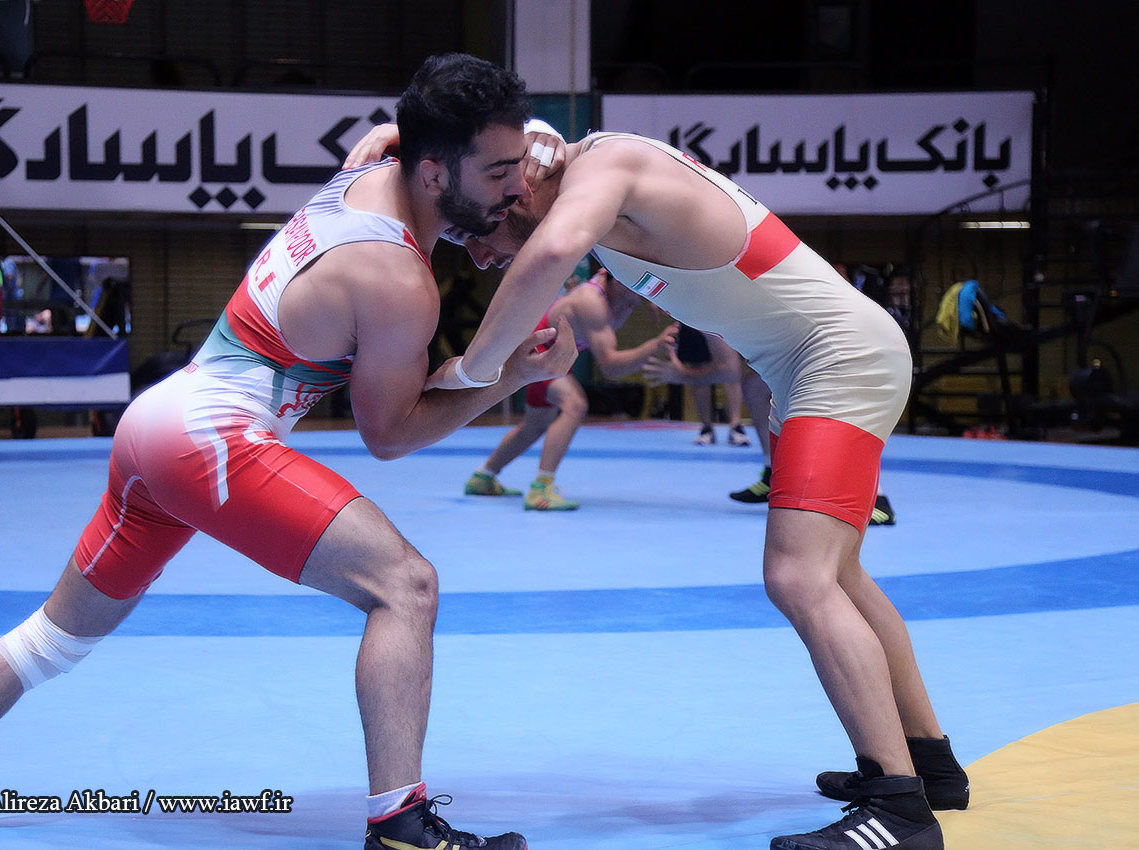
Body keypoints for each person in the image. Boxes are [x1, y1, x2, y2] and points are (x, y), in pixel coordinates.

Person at [0, 54, 575, 850]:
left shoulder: (371, 163)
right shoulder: (398, 280)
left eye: (515, 171)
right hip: (210, 442)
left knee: (53, 638)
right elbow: (390, 435)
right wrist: (508, 377)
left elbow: (405, 133)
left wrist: (529, 144)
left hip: (156, 428)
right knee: (406, 585)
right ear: (433, 172)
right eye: (498, 174)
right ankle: (399, 824)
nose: (513, 192)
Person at [412, 129, 968, 850]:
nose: (481, 258)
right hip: (818, 365)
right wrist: (397, 137)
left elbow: (548, 251)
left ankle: (899, 812)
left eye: (475, 234)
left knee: (799, 577)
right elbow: (521, 175)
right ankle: (930, 767)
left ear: (515, 186)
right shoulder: (586, 188)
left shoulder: (607, 166)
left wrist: (468, 372)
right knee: (840, 575)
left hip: (839, 360)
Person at [463, 258, 677, 510]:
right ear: (617, 278)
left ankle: (483, 476)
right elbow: (610, 367)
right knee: (574, 405)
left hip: (557, 355)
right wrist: (652, 347)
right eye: (638, 284)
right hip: (540, 351)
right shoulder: (591, 303)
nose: (643, 290)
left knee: (534, 426)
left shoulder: (626, 290)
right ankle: (541, 489)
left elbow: (629, 278)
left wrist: (657, 300)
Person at [644, 345, 897, 525]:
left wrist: (681, 375)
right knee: (756, 387)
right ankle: (771, 472)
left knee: (823, 394)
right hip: (793, 336)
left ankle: (876, 499)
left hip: (830, 339)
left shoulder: (705, 299)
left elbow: (728, 369)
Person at [675, 324, 751, 447]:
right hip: (693, 321)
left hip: (721, 319)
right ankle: (706, 428)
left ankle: (736, 426)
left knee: (731, 369)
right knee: (698, 367)